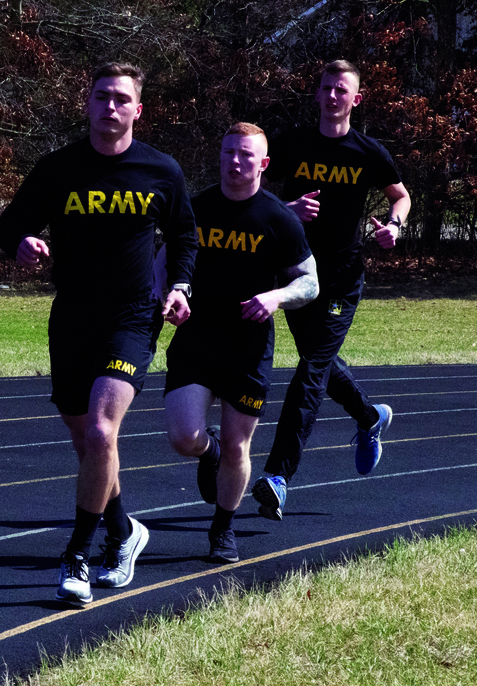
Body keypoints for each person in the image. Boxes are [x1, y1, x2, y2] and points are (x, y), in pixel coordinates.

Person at [0, 62, 198, 605]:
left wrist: (179, 286)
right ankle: (125, 530)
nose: (110, 107)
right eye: (101, 97)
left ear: (138, 109)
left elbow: (184, 235)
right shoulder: (58, 168)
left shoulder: (161, 170)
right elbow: (10, 223)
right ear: (86, 104)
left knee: (103, 434)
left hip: (133, 315)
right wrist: (20, 242)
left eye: (121, 99)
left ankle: (78, 556)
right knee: (87, 442)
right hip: (72, 315)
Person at [252, 59, 411, 521]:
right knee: (317, 365)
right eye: (326, 88)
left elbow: (400, 195)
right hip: (298, 275)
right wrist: (286, 208)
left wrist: (395, 227)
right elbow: (250, 187)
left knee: (310, 371)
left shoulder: (368, 151)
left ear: (355, 99)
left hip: (342, 276)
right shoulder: (294, 143)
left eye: (342, 90)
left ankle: (278, 476)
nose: (332, 96)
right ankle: (369, 417)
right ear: (317, 94)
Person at [163, 122, 317, 562]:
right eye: (229, 152)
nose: (235, 162)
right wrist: (169, 294)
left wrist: (277, 297)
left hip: (248, 349)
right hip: (196, 341)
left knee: (238, 445)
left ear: (263, 164)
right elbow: (163, 259)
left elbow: (311, 283)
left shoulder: (279, 219)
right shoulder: (195, 210)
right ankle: (206, 452)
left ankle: (222, 529)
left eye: (246, 155)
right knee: (183, 437)